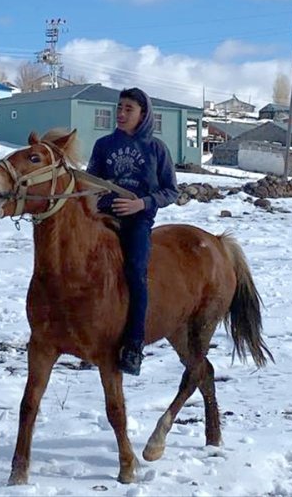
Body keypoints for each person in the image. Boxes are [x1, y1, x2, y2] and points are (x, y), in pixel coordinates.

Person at [87, 87, 178, 376]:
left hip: (137, 222)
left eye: (129, 109)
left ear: (143, 114)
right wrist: (98, 196)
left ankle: (134, 344)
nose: (121, 113)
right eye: (120, 107)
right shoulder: (103, 145)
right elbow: (91, 181)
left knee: (136, 271)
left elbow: (171, 191)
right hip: (104, 217)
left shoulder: (156, 149)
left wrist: (142, 203)